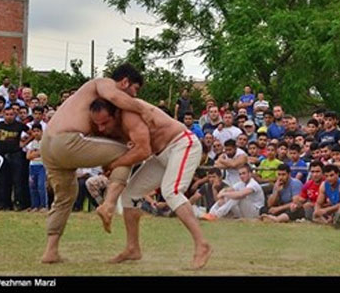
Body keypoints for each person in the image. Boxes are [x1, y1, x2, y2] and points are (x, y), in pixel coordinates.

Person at [38, 63, 153, 264]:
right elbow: (118, 97)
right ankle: (108, 204)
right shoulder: (103, 83)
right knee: (129, 153)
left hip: (47, 145)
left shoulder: (88, 99)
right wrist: (144, 110)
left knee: (65, 196)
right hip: (67, 141)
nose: (134, 96)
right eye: (135, 89)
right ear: (125, 82)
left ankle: (50, 251)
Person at [88, 97, 212, 269]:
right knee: (130, 195)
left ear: (114, 114)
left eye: (104, 122)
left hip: (183, 145)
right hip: (160, 155)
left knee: (172, 192)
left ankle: (202, 244)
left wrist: (114, 165)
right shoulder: (115, 123)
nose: (101, 128)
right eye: (98, 124)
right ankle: (133, 248)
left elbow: (143, 151)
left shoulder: (130, 116)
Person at [26, 123, 47, 212]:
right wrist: (38, 153)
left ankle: (43, 205)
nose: (36, 133)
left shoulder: (45, 143)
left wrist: (35, 153)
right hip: (32, 166)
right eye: (34, 131)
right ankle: (35, 205)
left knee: (41, 185)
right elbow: (28, 157)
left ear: (42, 132)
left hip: (42, 166)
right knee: (32, 186)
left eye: (38, 131)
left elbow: (45, 154)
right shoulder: (31, 144)